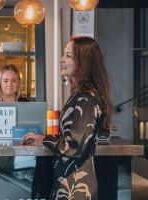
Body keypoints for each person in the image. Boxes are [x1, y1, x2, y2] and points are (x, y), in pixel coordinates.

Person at [22, 36, 112, 200]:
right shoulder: (79, 95)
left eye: (68, 56)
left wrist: (44, 139)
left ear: (84, 62)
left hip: (76, 186)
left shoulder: (87, 98)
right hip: (67, 181)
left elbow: (73, 146)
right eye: (64, 54)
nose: (61, 60)